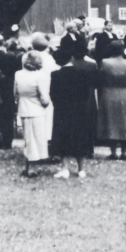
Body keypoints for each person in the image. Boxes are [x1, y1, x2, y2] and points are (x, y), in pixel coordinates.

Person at [50, 47, 96, 178]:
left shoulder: (55, 75)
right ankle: (81, 169)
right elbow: (86, 93)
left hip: (62, 110)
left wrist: (59, 105)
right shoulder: (82, 73)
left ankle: (65, 168)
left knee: (62, 136)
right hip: (79, 109)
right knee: (80, 136)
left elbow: (53, 94)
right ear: (71, 58)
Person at [96, 39, 126, 160]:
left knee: (110, 121)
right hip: (125, 93)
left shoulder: (105, 62)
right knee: (125, 121)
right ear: (123, 50)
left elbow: (101, 78)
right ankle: (124, 152)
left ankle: (113, 152)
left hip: (109, 92)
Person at [14, 52, 52, 176]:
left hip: (23, 109)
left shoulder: (18, 74)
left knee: (28, 139)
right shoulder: (41, 75)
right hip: (37, 110)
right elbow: (44, 99)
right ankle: (32, 168)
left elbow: (15, 93)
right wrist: (45, 104)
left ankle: (27, 166)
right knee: (36, 140)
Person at [0, 35, 21, 150]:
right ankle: (7, 141)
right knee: (7, 116)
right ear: (3, 43)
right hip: (8, 89)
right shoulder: (10, 57)